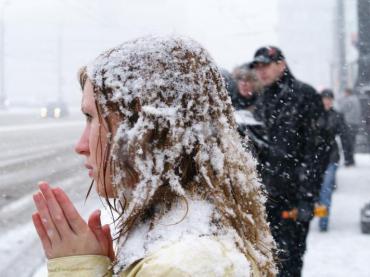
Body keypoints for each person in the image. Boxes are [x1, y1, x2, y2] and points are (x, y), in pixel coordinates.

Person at [32, 36, 277, 276]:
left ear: (146, 129)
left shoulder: (180, 267)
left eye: (92, 118)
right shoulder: (184, 242)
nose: (81, 145)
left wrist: (79, 271)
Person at [250, 46, 330, 277]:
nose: (261, 71)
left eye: (266, 65)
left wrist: (307, 196)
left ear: (281, 65)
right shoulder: (262, 98)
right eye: (258, 66)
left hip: (293, 195)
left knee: (290, 260)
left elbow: (318, 151)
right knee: (267, 261)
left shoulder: (305, 95)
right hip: (266, 195)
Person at [317, 89, 351, 232]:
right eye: (325, 98)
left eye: (329, 98)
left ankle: (323, 220)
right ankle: (320, 213)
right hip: (315, 158)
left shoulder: (337, 116)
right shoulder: (313, 115)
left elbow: (345, 136)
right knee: (317, 191)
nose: (327, 101)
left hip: (331, 156)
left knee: (326, 190)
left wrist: (348, 156)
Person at [337, 87, 362, 166]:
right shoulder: (356, 99)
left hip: (348, 123)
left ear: (347, 93)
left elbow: (341, 109)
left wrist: (341, 99)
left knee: (346, 142)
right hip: (355, 124)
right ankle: (351, 159)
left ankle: (348, 160)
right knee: (352, 142)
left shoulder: (348, 100)